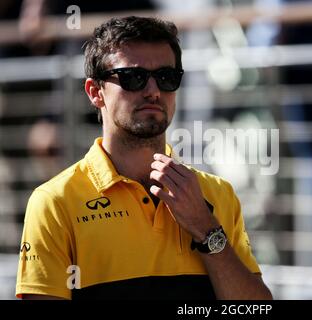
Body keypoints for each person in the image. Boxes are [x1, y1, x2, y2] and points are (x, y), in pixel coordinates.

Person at [15, 16, 272, 300]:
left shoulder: (218, 195)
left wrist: (206, 229)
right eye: (133, 78)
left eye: (166, 78)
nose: (153, 91)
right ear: (95, 92)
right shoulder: (54, 202)